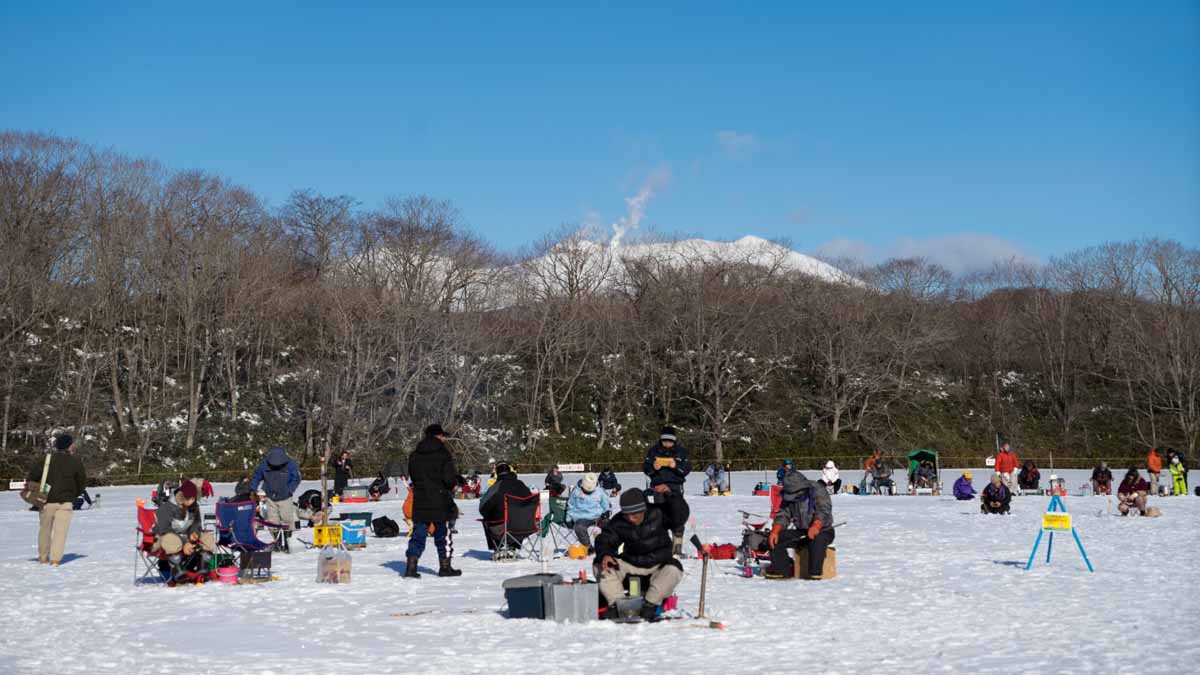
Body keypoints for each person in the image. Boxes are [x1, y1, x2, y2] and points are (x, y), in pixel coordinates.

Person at [594, 488, 685, 621]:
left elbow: (680, 516)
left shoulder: (659, 512)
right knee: (601, 564)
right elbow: (605, 539)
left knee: (674, 569)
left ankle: (650, 605)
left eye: (635, 515)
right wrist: (605, 553)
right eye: (627, 515)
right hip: (631, 564)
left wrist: (672, 495)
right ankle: (619, 605)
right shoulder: (619, 521)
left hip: (658, 565)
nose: (630, 519)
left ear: (644, 509)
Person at [404, 424, 461, 578]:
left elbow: (413, 477)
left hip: (421, 499)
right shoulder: (443, 453)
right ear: (438, 436)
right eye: (443, 436)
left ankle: (411, 567)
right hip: (440, 500)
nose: (444, 438)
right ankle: (445, 566)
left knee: (418, 534)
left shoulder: (415, 454)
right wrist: (454, 483)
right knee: (443, 533)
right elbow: (448, 479)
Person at [26, 433, 87, 565]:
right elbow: (81, 483)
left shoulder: (46, 459)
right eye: (72, 444)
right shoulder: (75, 462)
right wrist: (73, 494)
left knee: (44, 530)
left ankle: (43, 557)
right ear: (69, 446)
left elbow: (32, 476)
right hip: (66, 502)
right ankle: (55, 560)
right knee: (61, 532)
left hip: (46, 501)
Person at [766, 471, 835, 580]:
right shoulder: (787, 496)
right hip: (801, 531)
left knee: (817, 540)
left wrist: (816, 526)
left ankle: (815, 574)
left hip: (823, 529)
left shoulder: (818, 490)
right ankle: (782, 571)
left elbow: (823, 510)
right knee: (776, 539)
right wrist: (775, 531)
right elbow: (783, 515)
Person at [642, 425, 692, 553]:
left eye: (670, 441)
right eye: (665, 441)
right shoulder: (653, 451)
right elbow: (646, 469)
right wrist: (653, 468)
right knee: (658, 517)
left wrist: (675, 466)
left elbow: (685, 470)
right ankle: (661, 545)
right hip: (657, 487)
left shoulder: (681, 452)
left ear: (674, 441)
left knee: (677, 515)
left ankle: (677, 546)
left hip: (675, 488)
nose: (667, 444)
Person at [153, 480, 216, 574]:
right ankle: (178, 573)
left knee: (208, 537)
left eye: (193, 499)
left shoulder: (193, 507)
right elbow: (164, 530)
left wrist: (194, 533)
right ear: (181, 497)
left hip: (185, 538)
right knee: (171, 538)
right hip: (162, 539)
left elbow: (196, 524)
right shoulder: (166, 508)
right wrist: (185, 543)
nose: (191, 502)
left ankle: (202, 569)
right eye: (188, 499)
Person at [479, 463, 533, 551]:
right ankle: (513, 546)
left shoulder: (496, 487)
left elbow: (483, 508)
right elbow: (531, 501)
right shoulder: (521, 485)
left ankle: (497, 548)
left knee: (487, 521)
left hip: (502, 528)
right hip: (526, 526)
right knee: (517, 517)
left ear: (497, 474)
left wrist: (489, 515)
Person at [250, 447, 302, 531]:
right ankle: (276, 540)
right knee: (272, 521)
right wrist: (253, 489)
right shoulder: (264, 464)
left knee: (287, 518)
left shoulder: (291, 464)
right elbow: (257, 477)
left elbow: (296, 478)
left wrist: (289, 490)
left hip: (285, 496)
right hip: (269, 496)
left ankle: (289, 538)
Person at [567, 472, 610, 550]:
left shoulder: (600, 491)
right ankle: (588, 547)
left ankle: (609, 546)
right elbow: (571, 505)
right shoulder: (576, 491)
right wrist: (568, 518)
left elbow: (605, 504)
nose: (588, 492)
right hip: (582, 517)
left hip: (598, 516)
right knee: (579, 527)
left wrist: (606, 512)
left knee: (611, 526)